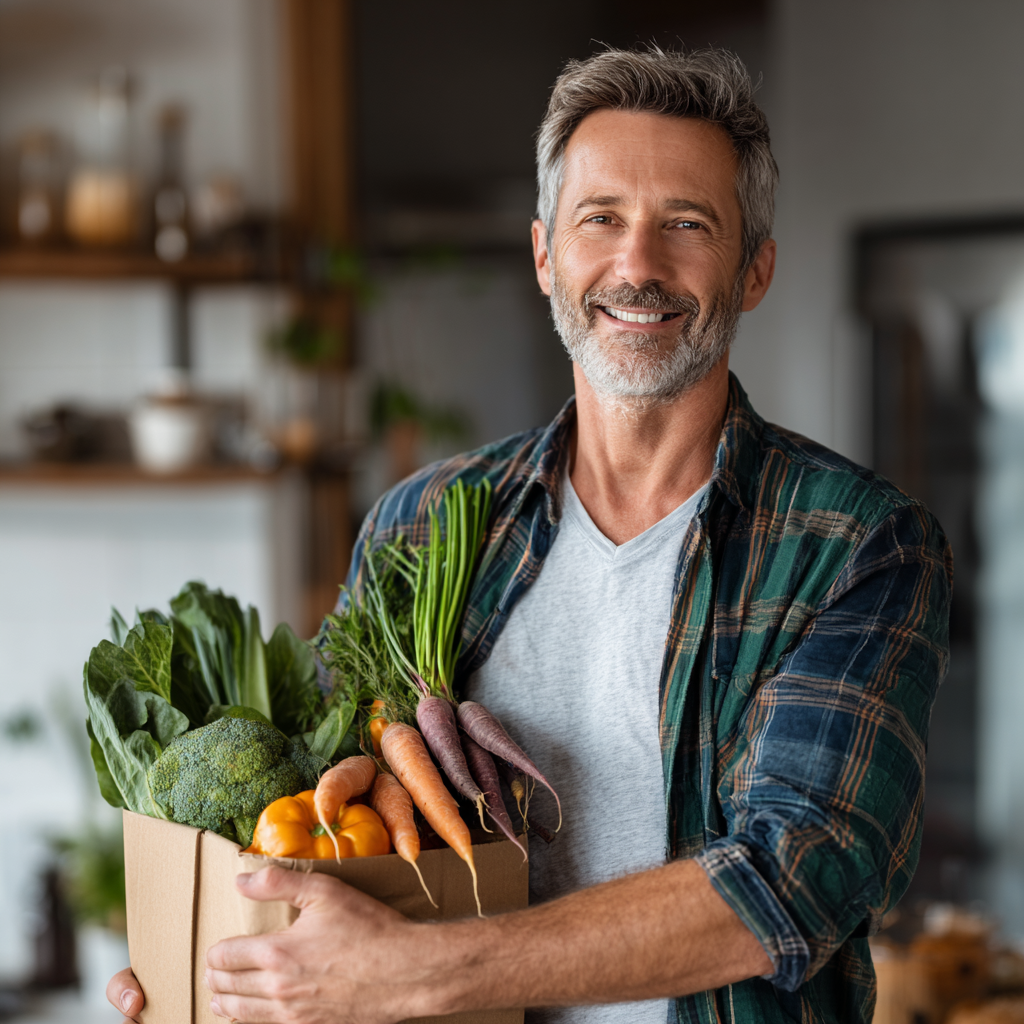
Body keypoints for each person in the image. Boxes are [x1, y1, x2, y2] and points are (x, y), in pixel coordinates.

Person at [109, 47, 951, 1024]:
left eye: (686, 224)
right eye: (602, 220)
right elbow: (314, 820)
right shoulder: (420, 521)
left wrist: (419, 970)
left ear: (753, 267)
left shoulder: (857, 547)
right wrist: (209, 955)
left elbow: (793, 880)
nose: (637, 266)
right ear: (546, 253)